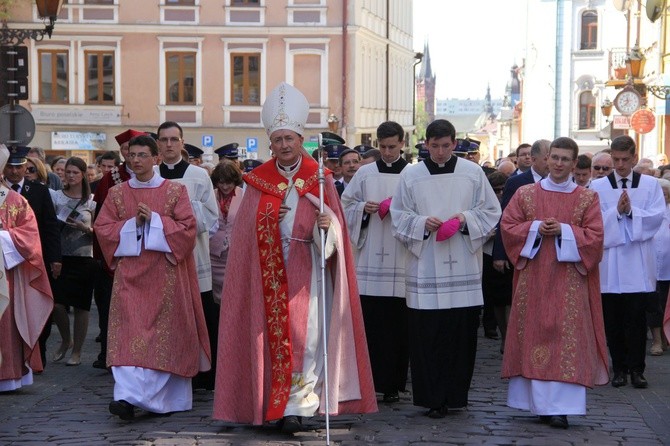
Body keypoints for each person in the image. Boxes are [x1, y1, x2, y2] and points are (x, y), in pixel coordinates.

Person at [213, 82, 377, 433]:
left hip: (308, 275)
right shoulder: (257, 183)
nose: (285, 146)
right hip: (267, 277)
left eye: (290, 139)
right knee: (268, 338)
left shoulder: (320, 180)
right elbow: (244, 238)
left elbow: (336, 233)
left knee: (309, 337)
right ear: (270, 144)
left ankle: (299, 406)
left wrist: (326, 227)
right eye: (278, 140)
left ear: (301, 141)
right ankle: (269, 405)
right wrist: (268, 219)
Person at [390, 118, 501, 418]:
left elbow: (491, 211)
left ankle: (455, 396)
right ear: (426, 145)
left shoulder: (472, 172)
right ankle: (431, 398)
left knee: (459, 336)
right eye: (434, 146)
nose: (440, 152)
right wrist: (421, 223)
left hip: (462, 267)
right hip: (424, 267)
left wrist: (465, 220)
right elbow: (399, 216)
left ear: (455, 143)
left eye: (446, 145)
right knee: (428, 338)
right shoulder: (411, 176)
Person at [94, 135, 210, 420]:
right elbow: (103, 228)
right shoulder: (117, 194)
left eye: (142, 155)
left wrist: (156, 221)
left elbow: (188, 229)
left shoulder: (174, 192)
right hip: (130, 277)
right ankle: (126, 397)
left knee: (163, 338)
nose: (135, 160)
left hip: (165, 276)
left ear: (156, 159)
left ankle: (155, 399)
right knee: (127, 335)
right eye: (132, 155)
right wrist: (133, 224)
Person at [500, 136, 609, 429]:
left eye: (565, 159)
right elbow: (508, 227)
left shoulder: (587, 198)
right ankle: (537, 404)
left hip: (570, 281)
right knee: (535, 333)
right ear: (547, 159)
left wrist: (564, 230)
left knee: (565, 337)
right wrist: (536, 227)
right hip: (533, 279)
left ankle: (560, 407)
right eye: (555, 157)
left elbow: (596, 238)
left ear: (575, 164)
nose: (559, 163)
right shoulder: (525, 194)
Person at [341, 120, 410, 404]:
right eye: (382, 147)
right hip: (370, 258)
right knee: (371, 324)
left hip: (401, 257)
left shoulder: (412, 174)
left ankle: (393, 384)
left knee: (398, 327)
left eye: (392, 147)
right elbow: (345, 205)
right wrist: (363, 209)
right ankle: (369, 382)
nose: (387, 152)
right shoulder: (366, 173)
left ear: (402, 144)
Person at [590, 135, 666, 389]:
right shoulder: (598, 187)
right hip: (610, 262)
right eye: (616, 159)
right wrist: (616, 213)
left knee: (636, 319)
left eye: (625, 160)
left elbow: (657, 216)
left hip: (637, 260)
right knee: (613, 319)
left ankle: (637, 369)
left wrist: (632, 212)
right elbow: (593, 221)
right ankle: (619, 368)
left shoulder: (650, 184)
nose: (620, 165)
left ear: (634, 157)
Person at [157, 121, 219, 390]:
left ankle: (204, 374)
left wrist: (182, 211)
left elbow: (212, 218)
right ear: (157, 144)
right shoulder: (151, 176)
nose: (169, 145)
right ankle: (168, 370)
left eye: (174, 139)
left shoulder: (198, 176)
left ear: (182, 143)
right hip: (160, 260)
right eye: (164, 140)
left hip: (196, 257)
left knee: (200, 315)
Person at [0, 144, 54, 391]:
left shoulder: (15, 201)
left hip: (6, 275)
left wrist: (2, 237)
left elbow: (30, 237)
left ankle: (8, 375)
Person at [91, 130, 143, 370]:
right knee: (110, 307)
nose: (131, 157)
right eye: (126, 151)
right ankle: (109, 354)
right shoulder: (111, 177)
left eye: (135, 151)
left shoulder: (154, 176)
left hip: (145, 250)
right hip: (116, 249)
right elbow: (101, 216)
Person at [491, 140, 550, 339]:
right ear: (534, 160)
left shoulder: (559, 181)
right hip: (522, 248)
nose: (552, 163)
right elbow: (505, 218)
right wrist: (500, 253)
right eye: (547, 158)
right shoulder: (516, 182)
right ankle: (511, 339)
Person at [49, 157, 96, 366]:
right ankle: (66, 339)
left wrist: (85, 228)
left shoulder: (91, 201)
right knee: (56, 304)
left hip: (84, 257)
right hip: (60, 257)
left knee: (81, 307)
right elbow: (49, 226)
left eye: (75, 172)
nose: (70, 176)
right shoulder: (56, 197)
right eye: (68, 172)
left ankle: (77, 351)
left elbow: (101, 230)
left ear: (83, 175)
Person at [648, 178, 670, 355]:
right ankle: (656, 340)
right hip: (652, 268)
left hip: (668, 269)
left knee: (666, 305)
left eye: (665, 194)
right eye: (660, 194)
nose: (662, 197)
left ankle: (665, 337)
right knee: (654, 306)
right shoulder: (650, 212)